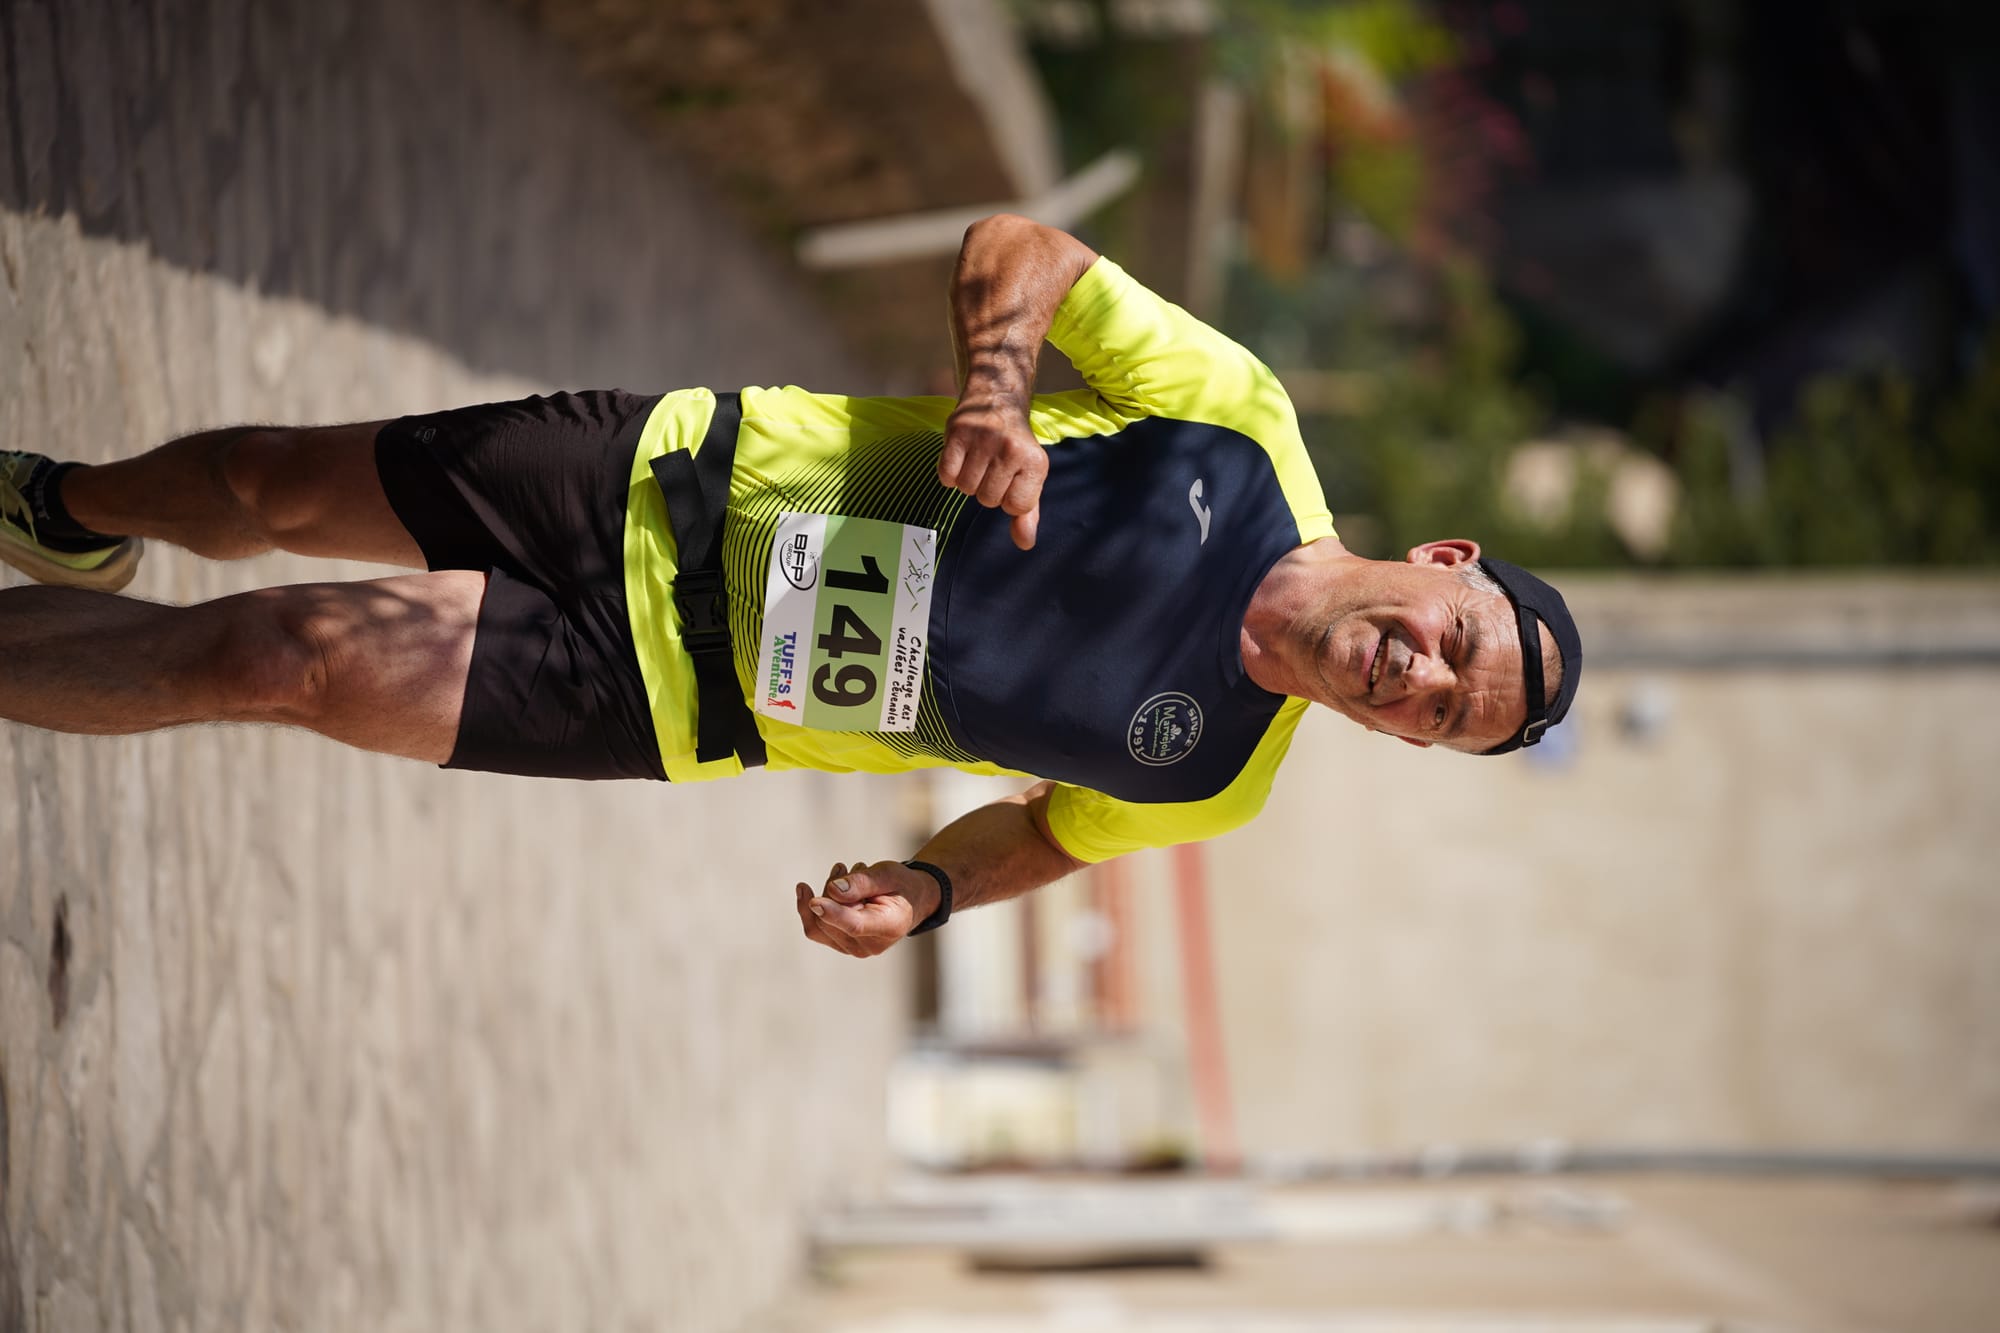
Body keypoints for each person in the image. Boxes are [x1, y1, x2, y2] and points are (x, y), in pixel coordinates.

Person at [0, 214, 1580, 958]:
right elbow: (1023, 250)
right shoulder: (1241, 432)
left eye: (1444, 718)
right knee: (269, 485)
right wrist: (995, 391)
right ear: (1445, 563)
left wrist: (934, 891)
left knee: (284, 655)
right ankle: (71, 506)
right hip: (667, 477)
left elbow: (1045, 827)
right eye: (1457, 646)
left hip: (678, 697)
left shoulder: (1219, 778)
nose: (1419, 683)